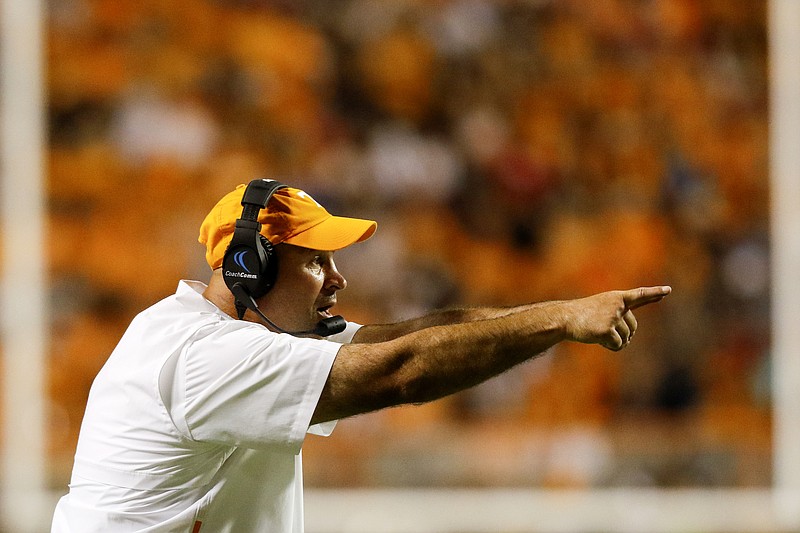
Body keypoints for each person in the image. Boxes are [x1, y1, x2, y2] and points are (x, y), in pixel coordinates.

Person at [51, 179, 671, 532]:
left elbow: (407, 339)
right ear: (249, 267)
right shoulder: (205, 357)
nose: (337, 279)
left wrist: (562, 312)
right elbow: (404, 372)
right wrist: (560, 321)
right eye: (316, 261)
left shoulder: (241, 336)